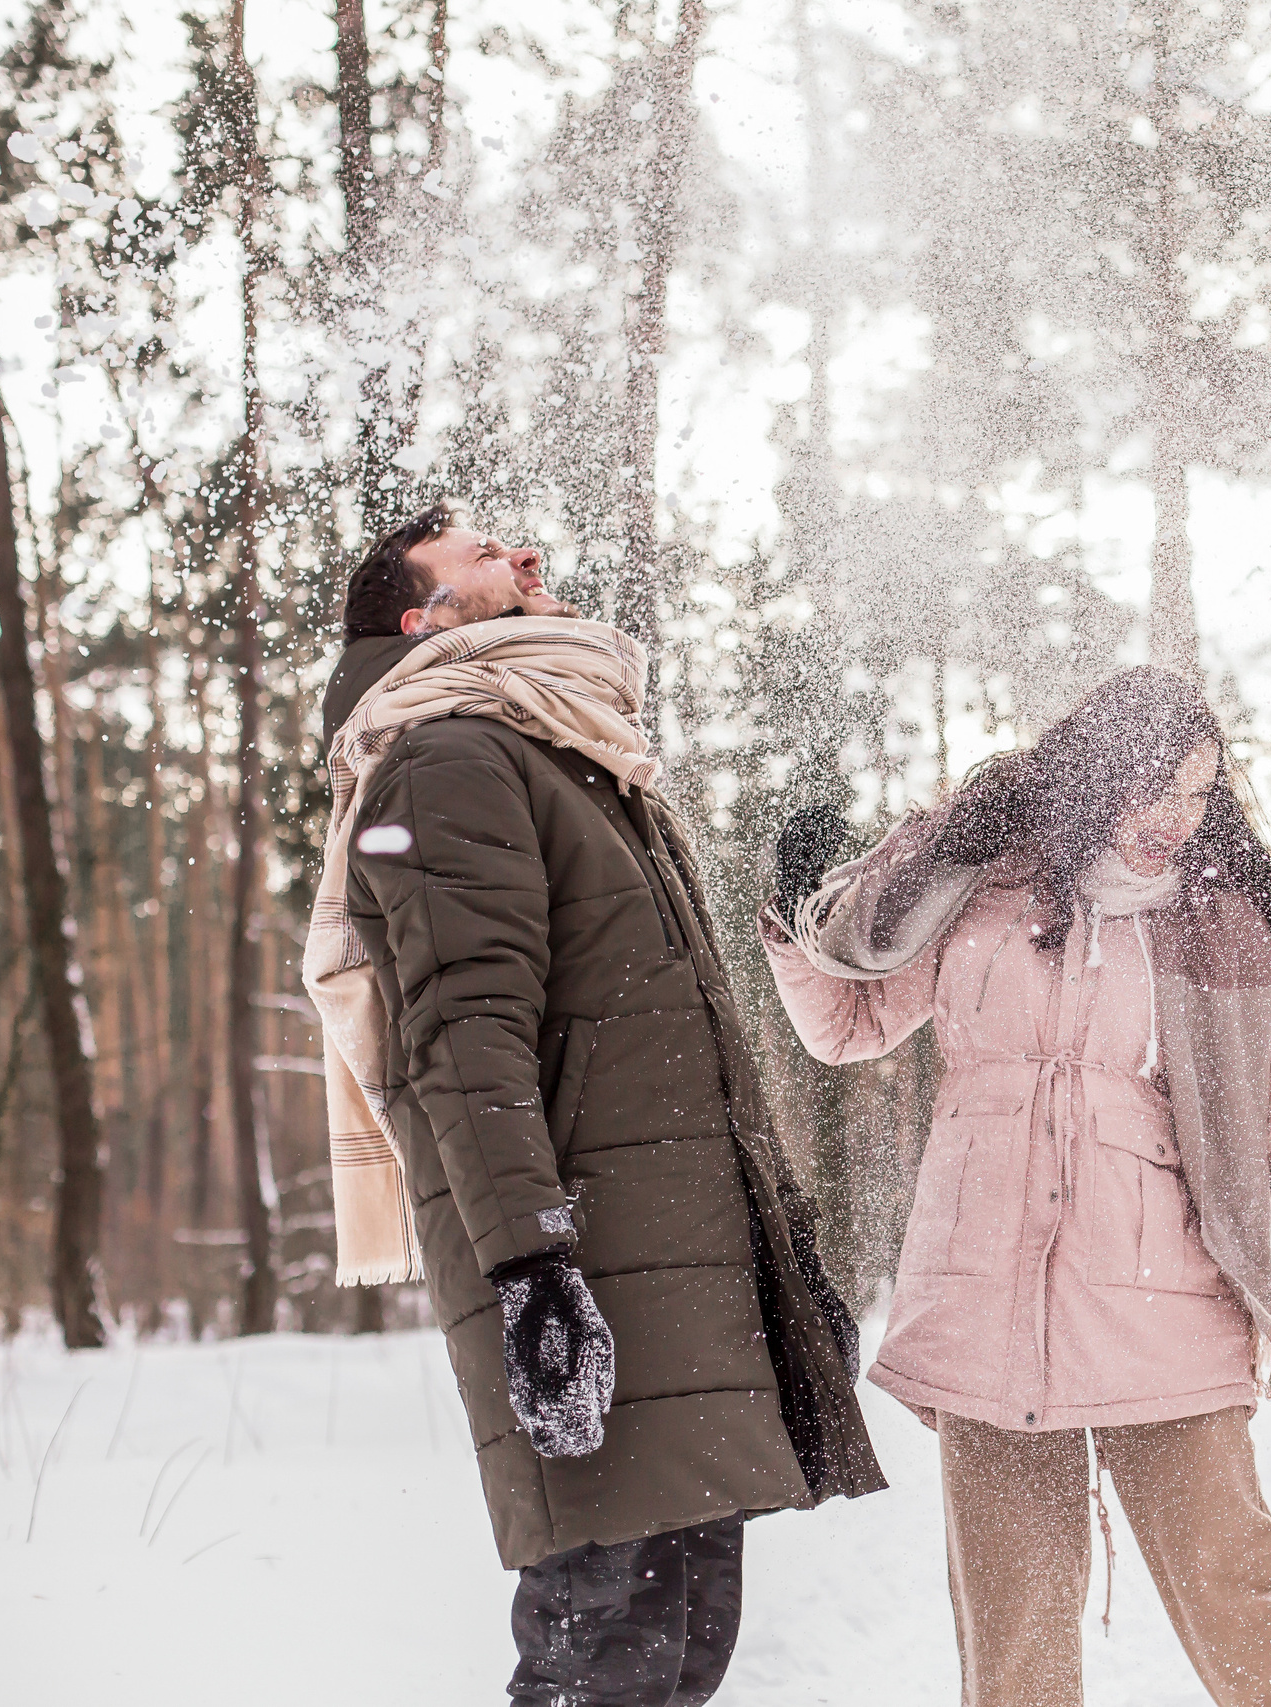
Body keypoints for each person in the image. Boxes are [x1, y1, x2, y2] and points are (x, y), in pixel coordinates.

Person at [761, 665, 1271, 1707]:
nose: (1176, 818)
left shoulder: (1210, 930)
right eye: (1155, 788)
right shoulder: (980, 890)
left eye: (1199, 794)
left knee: (1241, 1605)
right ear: (1091, 777)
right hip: (986, 1312)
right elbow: (848, 1028)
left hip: (1160, 1313)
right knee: (1013, 1644)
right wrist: (796, 925)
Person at [306, 503, 884, 1707]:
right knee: (601, 1655)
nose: (524, 559)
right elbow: (463, 1035)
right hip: (594, 1270)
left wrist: (789, 1250)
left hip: (680, 1276)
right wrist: (529, 1270)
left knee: (681, 1652)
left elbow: (688, 1058)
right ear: (427, 620)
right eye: (483, 557)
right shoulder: (449, 756)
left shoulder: (570, 756)